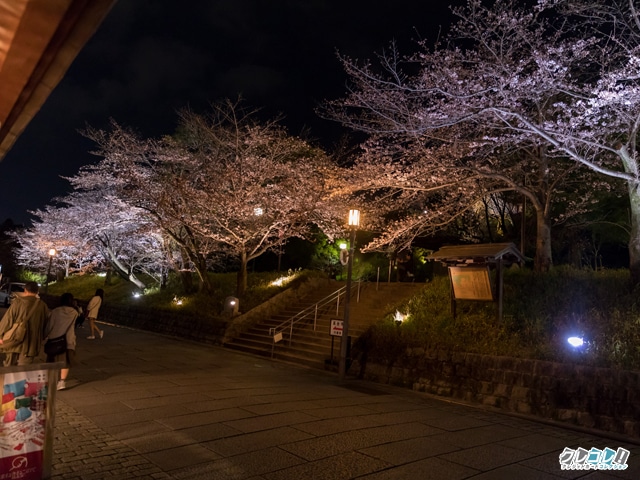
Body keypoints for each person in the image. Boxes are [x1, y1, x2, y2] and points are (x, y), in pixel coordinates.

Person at [0, 281, 50, 366]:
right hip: (31, 344)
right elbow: (46, 325)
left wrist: (1, 335)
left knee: (9, 369)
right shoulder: (43, 306)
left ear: (25, 290)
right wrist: (41, 338)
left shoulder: (18, 303)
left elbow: (8, 320)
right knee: (23, 371)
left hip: (14, 340)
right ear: (37, 291)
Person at [45, 293, 78, 390]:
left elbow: (50, 325)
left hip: (55, 339)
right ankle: (62, 382)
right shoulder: (74, 312)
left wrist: (45, 334)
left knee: (52, 361)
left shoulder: (55, 311)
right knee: (65, 362)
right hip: (68, 340)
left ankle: (51, 381)